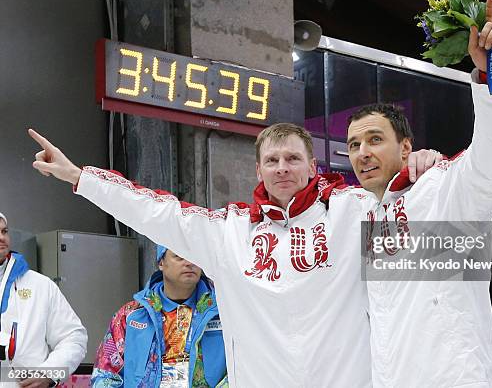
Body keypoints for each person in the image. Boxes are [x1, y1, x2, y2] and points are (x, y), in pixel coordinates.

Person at [28, 124, 440, 387]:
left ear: (313, 166)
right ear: (258, 171)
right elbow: (156, 210)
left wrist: (423, 169)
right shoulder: (229, 232)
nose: (283, 168)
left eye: (293, 158)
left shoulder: (352, 211)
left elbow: (415, 215)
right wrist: (79, 177)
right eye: (272, 161)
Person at [346, 0, 492, 387]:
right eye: (354, 145)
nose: (363, 153)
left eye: (375, 139)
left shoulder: (444, 188)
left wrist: (491, 75)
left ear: (406, 147)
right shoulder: (362, 213)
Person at [91, 245, 227, 387]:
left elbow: (243, 367)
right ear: (161, 262)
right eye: (179, 256)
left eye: (194, 255)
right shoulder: (130, 316)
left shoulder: (223, 313)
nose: (189, 262)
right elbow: (105, 374)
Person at [0, 212, 87, 388]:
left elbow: (75, 338)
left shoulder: (40, 285)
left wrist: (50, 373)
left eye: (4, 231)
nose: (1, 237)